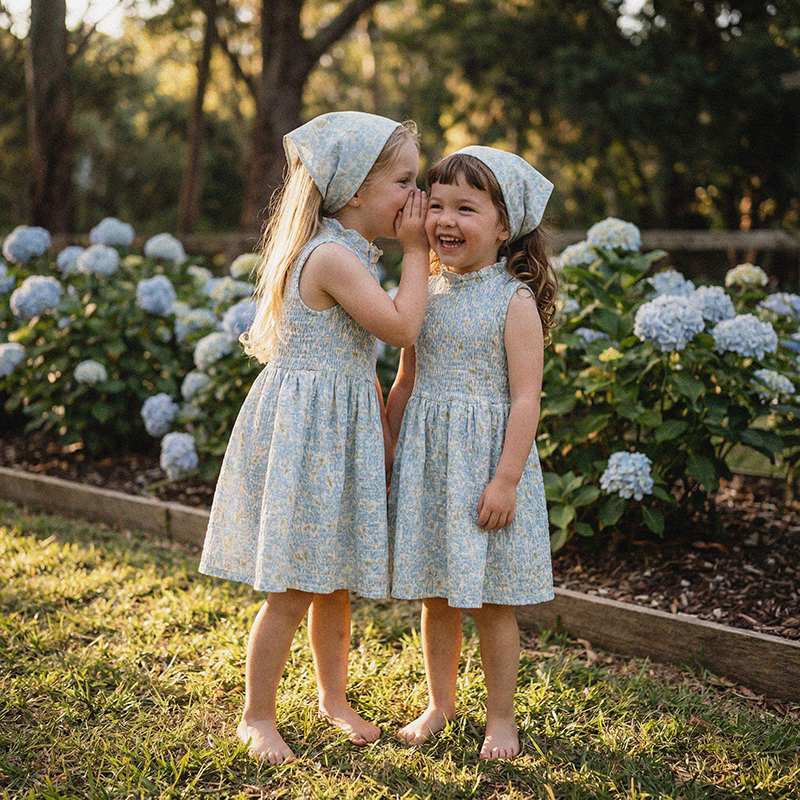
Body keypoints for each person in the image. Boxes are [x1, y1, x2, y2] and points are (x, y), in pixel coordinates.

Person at [199, 111, 430, 765]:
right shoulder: (331, 256)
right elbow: (401, 327)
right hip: (310, 437)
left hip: (335, 430)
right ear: (356, 190)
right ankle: (256, 715)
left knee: (334, 583)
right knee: (294, 587)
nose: (417, 197)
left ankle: (333, 699)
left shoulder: (350, 249)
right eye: (406, 181)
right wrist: (419, 251)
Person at [386, 145, 557, 760]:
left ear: (505, 225)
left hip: (485, 467)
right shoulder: (422, 290)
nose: (446, 221)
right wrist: (388, 450)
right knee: (437, 594)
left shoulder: (512, 300)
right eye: (436, 206)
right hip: (431, 465)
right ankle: (440, 703)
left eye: (466, 207)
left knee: (490, 602)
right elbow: (406, 380)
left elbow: (524, 400)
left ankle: (502, 719)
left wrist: (506, 480)